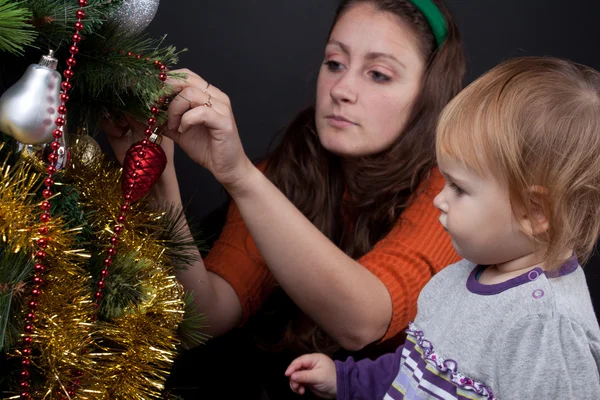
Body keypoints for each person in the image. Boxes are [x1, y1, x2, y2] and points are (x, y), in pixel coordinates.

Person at [105, 0, 465, 396]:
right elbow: (205, 316)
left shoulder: (453, 190)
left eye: (378, 74)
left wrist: (238, 175)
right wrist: (160, 176)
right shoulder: (285, 170)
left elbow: (362, 322)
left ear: (429, 93)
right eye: (334, 63)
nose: (342, 90)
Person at [285, 56, 600, 399]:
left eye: (459, 188)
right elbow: (417, 367)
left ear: (535, 212)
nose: (439, 200)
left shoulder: (544, 328)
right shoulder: (459, 277)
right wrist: (346, 379)